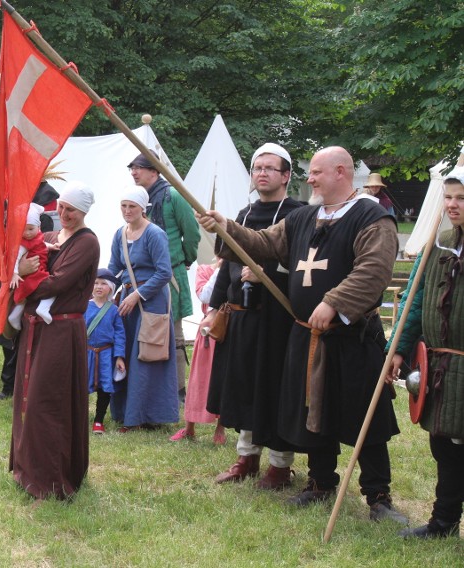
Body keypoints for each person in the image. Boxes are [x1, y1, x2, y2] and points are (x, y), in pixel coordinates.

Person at [197, 146, 407, 524]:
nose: (308, 179)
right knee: (313, 414)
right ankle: (321, 482)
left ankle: (378, 496)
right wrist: (226, 227)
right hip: (306, 335)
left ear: (341, 172)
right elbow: (263, 244)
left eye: (316, 172)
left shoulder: (372, 219)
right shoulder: (303, 218)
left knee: (365, 417)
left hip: (352, 338)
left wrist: (333, 302)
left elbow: (373, 271)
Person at [204, 143, 303, 489]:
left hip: (277, 321)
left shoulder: (298, 216)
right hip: (243, 319)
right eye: (257, 167)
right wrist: (216, 306)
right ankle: (246, 458)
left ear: (286, 175)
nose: (261, 173)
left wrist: (269, 273)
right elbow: (226, 266)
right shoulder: (243, 215)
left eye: (269, 168)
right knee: (245, 388)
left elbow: (304, 270)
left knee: (274, 391)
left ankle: (279, 466)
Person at [9, 181, 100, 500]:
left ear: (84, 211)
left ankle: (53, 479)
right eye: (60, 207)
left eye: (70, 210)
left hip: (62, 332)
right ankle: (28, 470)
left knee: (48, 404)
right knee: (27, 400)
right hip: (37, 328)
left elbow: (57, 284)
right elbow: (17, 251)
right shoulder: (49, 237)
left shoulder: (87, 243)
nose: (63, 213)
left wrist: (20, 278)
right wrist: (12, 264)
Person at [387, 168, 464, 539]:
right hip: (441, 366)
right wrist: (398, 349)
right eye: (448, 197)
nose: (452, 205)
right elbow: (416, 301)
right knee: (442, 443)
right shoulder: (440, 242)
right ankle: (443, 522)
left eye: (461, 198)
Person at [128, 151, 200, 405]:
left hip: (171, 273)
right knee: (146, 330)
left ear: (154, 171)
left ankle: (178, 389)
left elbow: (191, 234)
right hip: (142, 275)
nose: (134, 172)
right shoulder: (136, 199)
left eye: (140, 167)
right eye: (132, 168)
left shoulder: (174, 196)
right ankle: (150, 386)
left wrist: (185, 260)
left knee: (175, 331)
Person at [108, 186, 179, 431]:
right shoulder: (120, 234)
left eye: (132, 207)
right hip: (128, 300)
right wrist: (104, 289)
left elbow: (164, 272)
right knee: (125, 352)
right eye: (124, 206)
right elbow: (114, 268)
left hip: (151, 301)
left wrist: (138, 295)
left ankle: (147, 416)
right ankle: (125, 412)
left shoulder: (154, 234)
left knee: (147, 355)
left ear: (143, 209)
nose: (127, 211)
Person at [0, 178, 59, 400]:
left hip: (33, 282)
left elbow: (42, 245)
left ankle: (26, 385)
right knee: (7, 334)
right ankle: (9, 385)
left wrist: (24, 269)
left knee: (30, 338)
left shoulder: (43, 208)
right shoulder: (7, 207)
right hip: (9, 284)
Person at [170, 259, 226, 444]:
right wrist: (219, 270)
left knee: (223, 378)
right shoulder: (204, 270)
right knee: (198, 378)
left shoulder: (235, 269)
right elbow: (205, 296)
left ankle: (220, 428)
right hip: (208, 329)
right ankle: (189, 428)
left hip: (228, 327)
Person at [86, 268, 125, 434]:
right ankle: (79, 417)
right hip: (86, 353)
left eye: (103, 283)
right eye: (95, 283)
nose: (99, 286)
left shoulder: (114, 310)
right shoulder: (84, 307)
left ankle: (98, 421)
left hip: (106, 354)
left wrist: (119, 357)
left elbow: (120, 335)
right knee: (81, 385)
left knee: (105, 388)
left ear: (110, 287)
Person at [8, 202, 55, 329]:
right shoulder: (23, 243)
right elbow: (15, 257)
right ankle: (44, 307)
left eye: (30, 229)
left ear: (38, 227)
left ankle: (15, 316)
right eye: (23, 230)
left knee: (24, 298)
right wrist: (15, 273)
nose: (27, 233)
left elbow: (42, 244)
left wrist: (52, 246)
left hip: (37, 269)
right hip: (34, 273)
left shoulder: (38, 237)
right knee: (51, 287)